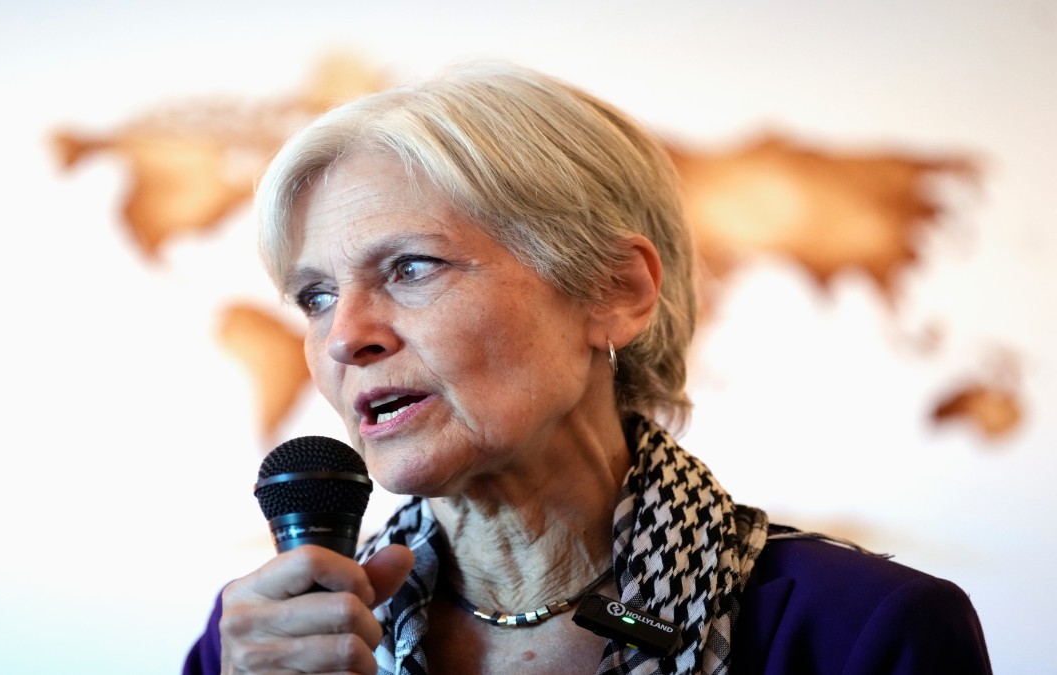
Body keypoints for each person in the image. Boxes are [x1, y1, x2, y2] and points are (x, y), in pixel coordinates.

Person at [184, 62, 992, 674]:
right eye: (316, 295)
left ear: (614, 290)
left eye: (411, 268)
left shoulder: (862, 632)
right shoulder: (263, 645)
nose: (343, 337)